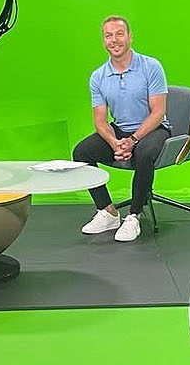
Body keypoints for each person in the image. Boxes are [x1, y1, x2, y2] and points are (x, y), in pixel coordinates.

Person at [72, 16, 171, 242]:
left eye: (119, 34)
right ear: (103, 40)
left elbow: (158, 112)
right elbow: (100, 120)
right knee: (81, 152)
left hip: (153, 129)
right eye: (108, 35)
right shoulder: (98, 77)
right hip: (121, 131)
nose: (114, 40)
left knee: (144, 153)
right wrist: (115, 142)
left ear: (129, 37)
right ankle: (107, 212)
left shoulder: (151, 66)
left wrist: (133, 140)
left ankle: (134, 216)